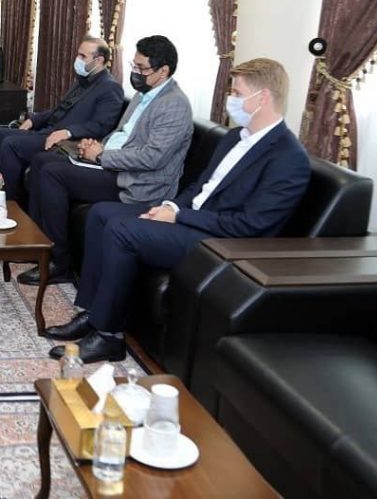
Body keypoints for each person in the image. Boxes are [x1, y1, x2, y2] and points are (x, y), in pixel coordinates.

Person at [46, 58, 310, 363]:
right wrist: (170, 206)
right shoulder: (234, 137)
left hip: (220, 242)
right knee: (101, 214)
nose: (231, 99)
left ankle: (108, 336)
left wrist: (179, 216)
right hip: (191, 221)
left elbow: (251, 225)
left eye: (237, 93)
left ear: (262, 98)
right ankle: (93, 313)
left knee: (122, 230)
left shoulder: (289, 158)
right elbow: (200, 185)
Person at [20, 35, 193, 285]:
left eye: (141, 68)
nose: (135, 73)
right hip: (111, 163)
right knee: (42, 161)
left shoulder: (174, 105)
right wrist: (98, 145)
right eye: (134, 65)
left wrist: (102, 155)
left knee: (52, 173)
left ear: (163, 71)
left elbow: (152, 157)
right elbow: (123, 134)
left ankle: (60, 262)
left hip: (135, 181)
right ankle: (38, 246)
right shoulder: (144, 94)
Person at [0, 37, 123, 204]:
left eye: (83, 56)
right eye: (78, 54)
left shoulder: (110, 88)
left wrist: (68, 132)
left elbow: (101, 126)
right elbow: (59, 109)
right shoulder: (82, 81)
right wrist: (34, 120)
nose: (78, 59)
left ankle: (6, 203)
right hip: (48, 131)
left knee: (11, 144)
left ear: (99, 60)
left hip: (66, 142)